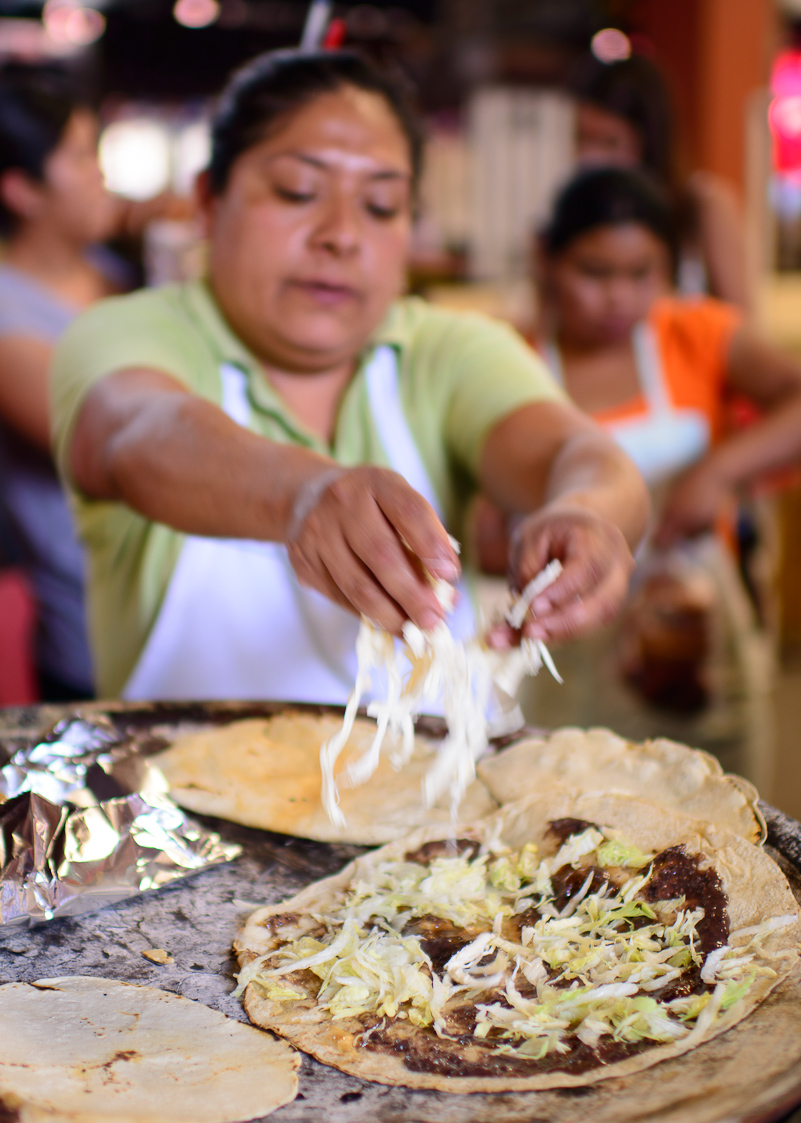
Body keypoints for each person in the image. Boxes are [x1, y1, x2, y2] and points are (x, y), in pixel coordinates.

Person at [50, 49, 647, 704]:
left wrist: (587, 515)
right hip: (177, 801)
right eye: (297, 192)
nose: (340, 234)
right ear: (208, 201)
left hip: (431, 797)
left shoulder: (443, 349)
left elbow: (582, 455)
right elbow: (139, 432)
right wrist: (303, 495)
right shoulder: (131, 332)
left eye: (381, 205)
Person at [476, 167, 801, 786]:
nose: (618, 295)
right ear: (546, 260)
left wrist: (718, 471)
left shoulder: (695, 334)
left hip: (690, 637)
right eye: (594, 272)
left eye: (641, 274)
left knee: (716, 798)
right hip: (566, 641)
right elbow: (483, 526)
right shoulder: (508, 358)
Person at [0, 68, 120, 700]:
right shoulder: (7, 313)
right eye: (80, 155)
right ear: (22, 189)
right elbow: (104, 440)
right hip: (91, 639)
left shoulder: (113, 274)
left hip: (177, 618)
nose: (102, 173)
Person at [569, 53, 751, 311]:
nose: (593, 158)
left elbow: (741, 327)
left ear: (650, 140)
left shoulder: (703, 204)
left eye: (611, 142)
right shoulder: (580, 214)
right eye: (582, 139)